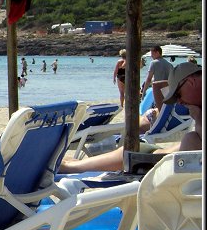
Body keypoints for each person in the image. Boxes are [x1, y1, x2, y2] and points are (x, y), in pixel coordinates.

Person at [59, 63, 201, 173]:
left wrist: (199, 118)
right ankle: (74, 165)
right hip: (165, 157)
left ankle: (73, 167)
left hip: (164, 162)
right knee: (130, 151)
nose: (179, 102)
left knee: (128, 154)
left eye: (178, 95)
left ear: (191, 82)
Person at [141, 45, 174, 112]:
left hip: (157, 90)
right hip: (167, 91)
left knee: (157, 109)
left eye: (152, 53)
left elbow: (148, 79)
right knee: (164, 109)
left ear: (157, 52)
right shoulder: (170, 65)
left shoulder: (154, 63)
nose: (151, 56)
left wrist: (144, 91)